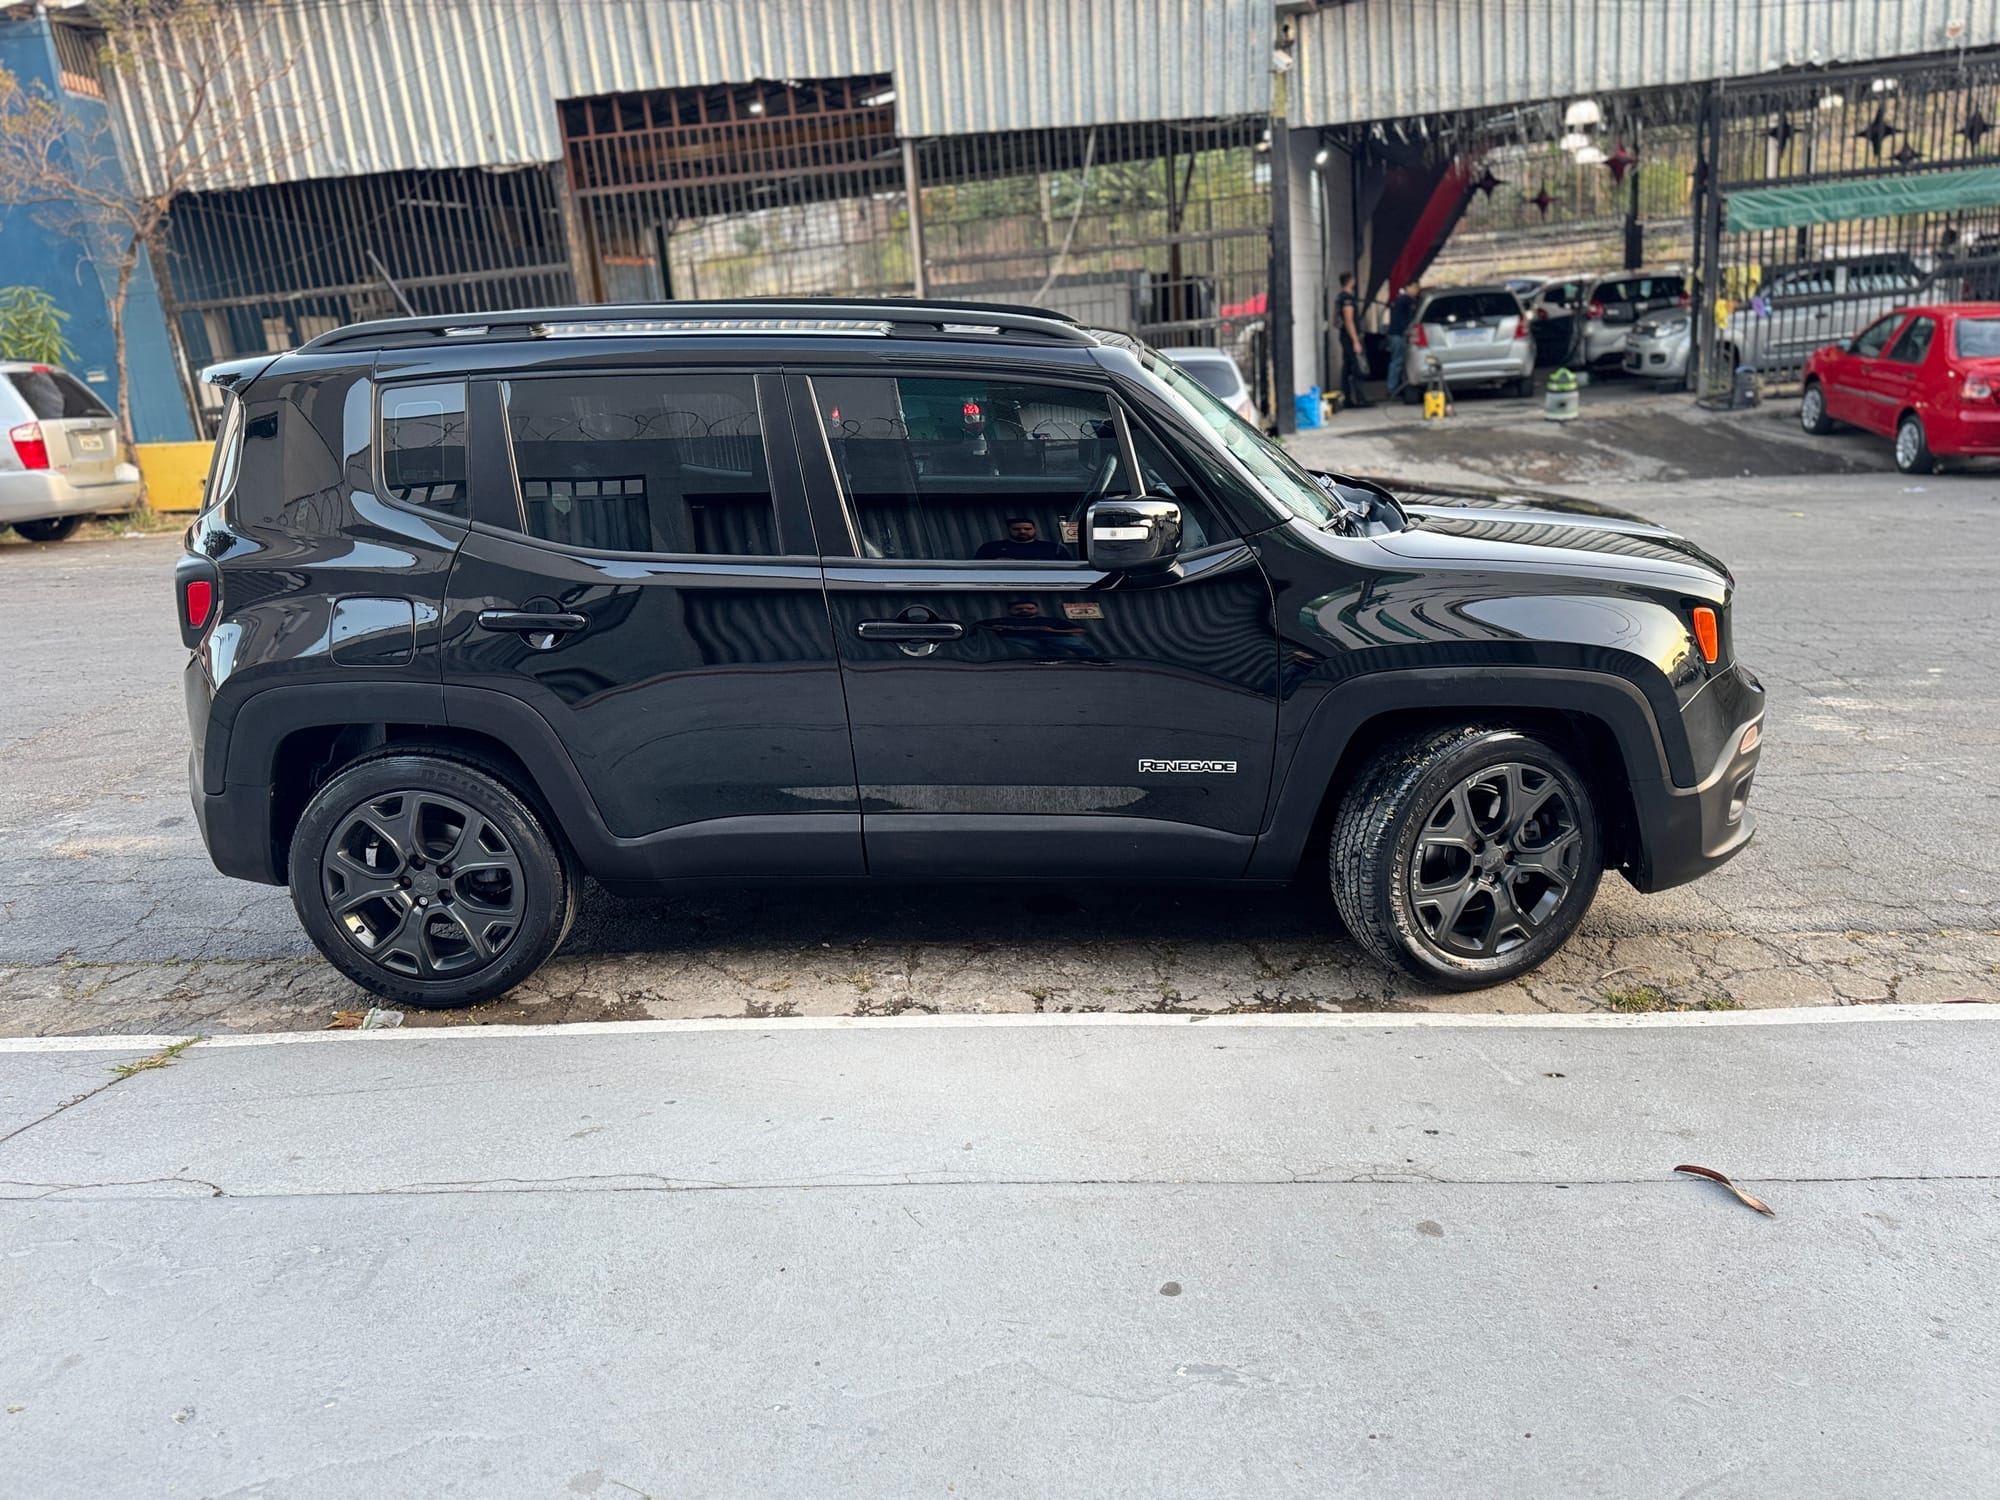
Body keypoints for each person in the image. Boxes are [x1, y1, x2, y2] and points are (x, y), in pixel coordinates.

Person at [1335, 272, 1370, 410]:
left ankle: (1347, 398)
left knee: (1347, 367)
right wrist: (1355, 340)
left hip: (1345, 336)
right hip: (1350, 337)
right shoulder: (1347, 299)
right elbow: (1349, 321)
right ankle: (1359, 398)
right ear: (1350, 281)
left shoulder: (1340, 298)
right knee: (1357, 366)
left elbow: (1336, 321)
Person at [1386, 279, 1421, 402]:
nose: (1416, 291)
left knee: (1398, 361)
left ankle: (1395, 388)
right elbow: (1409, 318)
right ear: (1408, 287)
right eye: (1415, 287)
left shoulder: (1400, 299)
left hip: (1396, 334)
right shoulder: (1406, 300)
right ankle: (1392, 389)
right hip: (1399, 335)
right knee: (1397, 361)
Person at [974, 517, 1070, 561]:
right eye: (1017, 529)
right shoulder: (990, 548)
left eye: (1027, 529)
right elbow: (977, 570)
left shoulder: (1053, 548)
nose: (1022, 531)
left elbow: (1069, 570)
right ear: (1008, 530)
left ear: (1035, 529)